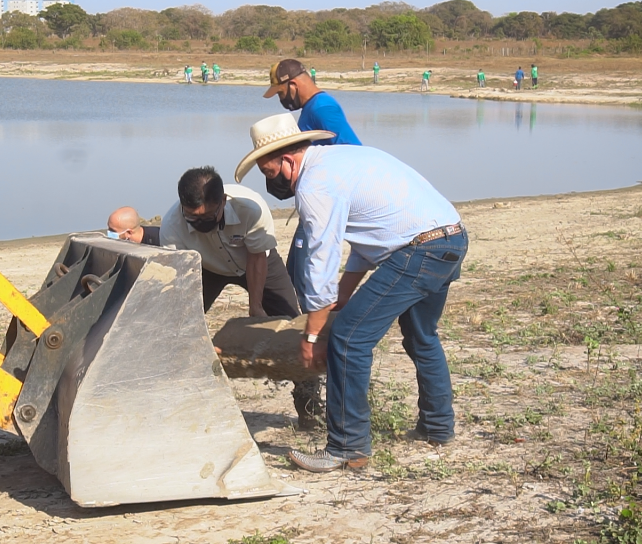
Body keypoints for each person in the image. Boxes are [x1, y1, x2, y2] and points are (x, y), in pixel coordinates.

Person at [235, 112, 467, 472]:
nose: (272, 184)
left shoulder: (315, 184)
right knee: (422, 337)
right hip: (449, 238)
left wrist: (313, 332)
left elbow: (321, 257)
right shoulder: (341, 158)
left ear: (287, 159)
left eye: (269, 173)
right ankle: (437, 428)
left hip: (417, 251)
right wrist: (344, 293)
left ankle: (347, 447)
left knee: (348, 339)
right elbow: (371, 234)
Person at [161, 166, 323, 429]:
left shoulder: (252, 208)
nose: (201, 224)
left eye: (209, 217)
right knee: (177, 328)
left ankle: (310, 409)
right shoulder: (171, 227)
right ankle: (182, 403)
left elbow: (257, 257)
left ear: (223, 202)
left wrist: (256, 307)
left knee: (295, 328)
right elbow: (180, 280)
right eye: (193, 219)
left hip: (257, 261)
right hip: (207, 267)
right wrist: (192, 331)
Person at [261, 58, 361, 313]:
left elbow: (352, 152)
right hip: (313, 201)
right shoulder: (311, 109)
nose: (282, 100)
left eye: (281, 93)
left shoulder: (323, 108)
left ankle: (318, 334)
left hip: (323, 202)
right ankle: (311, 330)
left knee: (307, 274)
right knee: (296, 271)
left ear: (293, 84)